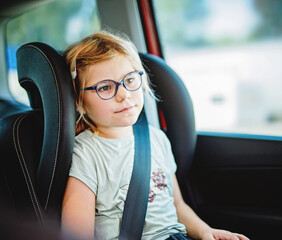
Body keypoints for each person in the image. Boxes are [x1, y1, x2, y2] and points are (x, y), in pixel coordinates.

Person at [61, 30, 249, 240]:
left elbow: (176, 205)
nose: (124, 94)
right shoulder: (86, 152)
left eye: (129, 80)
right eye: (105, 87)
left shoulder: (156, 138)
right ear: (79, 102)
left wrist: (206, 231)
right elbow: (76, 233)